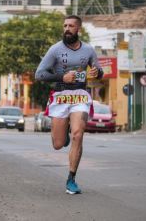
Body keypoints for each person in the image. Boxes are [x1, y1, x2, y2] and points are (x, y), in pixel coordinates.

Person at [35, 15, 103, 194]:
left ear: (78, 29)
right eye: (65, 25)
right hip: (61, 95)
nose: (67, 28)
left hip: (80, 95)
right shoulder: (55, 50)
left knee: (78, 134)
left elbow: (99, 71)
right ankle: (63, 133)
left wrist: (97, 72)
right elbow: (39, 74)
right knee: (58, 144)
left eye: (71, 26)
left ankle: (71, 178)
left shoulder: (88, 50)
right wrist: (61, 76)